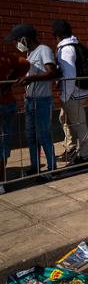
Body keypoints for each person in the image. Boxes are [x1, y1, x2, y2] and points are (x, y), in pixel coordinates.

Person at [5, 24, 57, 178]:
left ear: (24, 39)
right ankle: (35, 167)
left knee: (44, 135)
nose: (16, 44)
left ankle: (51, 168)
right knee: (31, 136)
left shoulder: (43, 50)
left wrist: (30, 79)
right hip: (30, 100)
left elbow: (51, 73)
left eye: (16, 41)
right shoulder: (29, 53)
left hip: (42, 100)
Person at [52, 20, 88, 164]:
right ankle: (72, 150)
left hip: (72, 94)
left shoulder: (66, 49)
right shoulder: (77, 45)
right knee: (66, 121)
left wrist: (64, 96)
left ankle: (85, 157)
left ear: (56, 35)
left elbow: (69, 75)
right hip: (79, 91)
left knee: (80, 126)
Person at [0, 50, 29, 193]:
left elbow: (24, 64)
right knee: (3, 142)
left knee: (3, 143)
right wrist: (9, 81)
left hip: (5, 105)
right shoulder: (5, 56)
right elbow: (25, 64)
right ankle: (1, 180)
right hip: (7, 103)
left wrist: (9, 81)